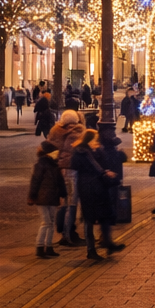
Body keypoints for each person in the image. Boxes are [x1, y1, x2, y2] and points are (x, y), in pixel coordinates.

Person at [71, 131, 126, 261]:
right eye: (95, 140)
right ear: (90, 140)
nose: (97, 142)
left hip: (98, 186)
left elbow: (103, 163)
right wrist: (105, 172)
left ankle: (107, 242)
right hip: (88, 187)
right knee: (89, 218)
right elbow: (93, 167)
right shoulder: (81, 152)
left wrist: (99, 153)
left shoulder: (94, 151)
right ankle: (91, 250)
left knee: (106, 214)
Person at [48, 110, 85, 246]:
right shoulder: (77, 132)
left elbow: (49, 147)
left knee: (63, 202)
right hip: (72, 170)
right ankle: (67, 234)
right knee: (72, 203)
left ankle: (63, 230)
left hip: (59, 170)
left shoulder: (56, 131)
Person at [28, 140, 67, 258]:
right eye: (55, 152)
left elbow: (60, 182)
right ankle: (40, 247)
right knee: (46, 222)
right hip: (43, 198)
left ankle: (48, 246)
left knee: (50, 222)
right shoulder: (41, 165)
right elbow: (35, 181)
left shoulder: (55, 165)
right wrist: (32, 196)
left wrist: (63, 194)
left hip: (52, 197)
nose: (57, 154)